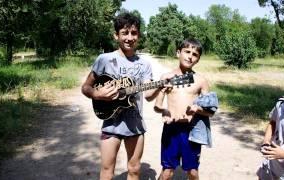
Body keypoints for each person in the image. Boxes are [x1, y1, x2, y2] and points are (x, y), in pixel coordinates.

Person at [81, 12, 161, 180]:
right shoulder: (104, 59)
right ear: (116, 35)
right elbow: (86, 87)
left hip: (136, 125)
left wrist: (160, 86)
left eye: (134, 33)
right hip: (111, 124)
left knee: (134, 169)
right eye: (125, 33)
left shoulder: (144, 64)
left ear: (138, 35)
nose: (129, 37)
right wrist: (97, 94)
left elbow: (147, 95)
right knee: (107, 170)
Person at [154, 38, 218, 180]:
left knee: (193, 172)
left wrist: (197, 109)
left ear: (198, 59)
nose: (190, 56)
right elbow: (157, 106)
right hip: (171, 130)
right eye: (187, 51)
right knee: (167, 172)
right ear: (178, 53)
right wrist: (163, 111)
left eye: (195, 54)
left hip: (191, 131)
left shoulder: (201, 81)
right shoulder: (166, 77)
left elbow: (211, 111)